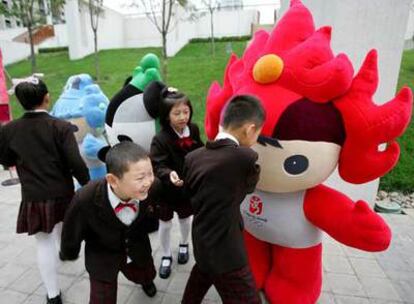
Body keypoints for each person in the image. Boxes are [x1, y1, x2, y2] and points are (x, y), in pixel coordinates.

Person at [0, 78, 90, 304]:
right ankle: (66, 251)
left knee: (43, 242)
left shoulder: (9, 130)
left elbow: (5, 159)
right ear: (47, 97)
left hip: (34, 195)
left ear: (20, 102)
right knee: (61, 221)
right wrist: (87, 184)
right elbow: (75, 162)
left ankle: (53, 295)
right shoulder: (60, 127)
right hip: (62, 189)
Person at [181, 95, 265, 303]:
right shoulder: (245, 158)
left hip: (201, 239)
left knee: (198, 282)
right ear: (249, 129)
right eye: (258, 133)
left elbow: (190, 193)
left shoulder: (193, 157)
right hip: (228, 252)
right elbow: (248, 188)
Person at [60, 141, 159, 304]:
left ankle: (146, 281)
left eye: (150, 173)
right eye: (140, 177)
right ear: (113, 180)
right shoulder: (85, 199)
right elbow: (71, 230)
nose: (148, 182)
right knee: (102, 298)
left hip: (137, 248)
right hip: (102, 255)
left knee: (145, 273)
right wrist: (68, 252)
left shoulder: (151, 188)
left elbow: (161, 202)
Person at [150, 87, 203, 279]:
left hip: (186, 187)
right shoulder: (160, 139)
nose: (183, 117)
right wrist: (169, 173)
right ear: (166, 116)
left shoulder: (194, 130)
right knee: (164, 223)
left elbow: (200, 151)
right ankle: (165, 254)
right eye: (177, 113)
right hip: (166, 189)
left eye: (186, 112)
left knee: (184, 218)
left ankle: (183, 243)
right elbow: (157, 163)